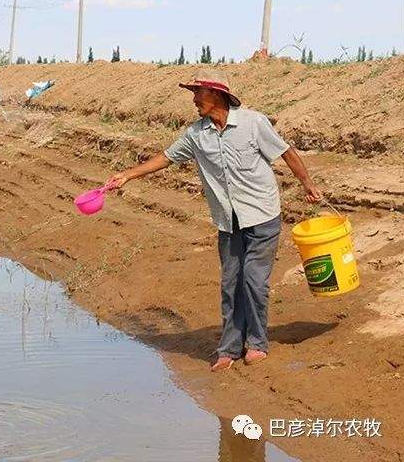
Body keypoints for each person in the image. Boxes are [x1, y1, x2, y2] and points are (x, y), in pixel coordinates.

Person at [106, 69, 323, 372]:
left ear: (217, 94)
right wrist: (127, 175)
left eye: (198, 93)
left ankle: (257, 343)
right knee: (230, 283)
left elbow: (286, 153)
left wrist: (307, 184)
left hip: (262, 215)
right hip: (228, 220)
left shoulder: (253, 122)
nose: (194, 100)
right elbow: (166, 158)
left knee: (253, 281)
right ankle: (229, 348)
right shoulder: (196, 134)